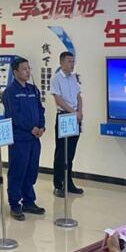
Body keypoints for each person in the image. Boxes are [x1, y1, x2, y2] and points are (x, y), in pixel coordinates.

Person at [3, 58, 46, 221]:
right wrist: (30, 128)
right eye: (24, 69)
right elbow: (14, 115)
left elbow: (40, 110)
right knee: (18, 170)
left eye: (28, 68)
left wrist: (41, 126)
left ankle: (29, 201)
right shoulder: (10, 92)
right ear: (15, 72)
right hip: (20, 138)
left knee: (31, 169)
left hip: (34, 138)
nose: (27, 72)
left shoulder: (33, 89)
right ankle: (15, 204)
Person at [50, 51, 83, 197]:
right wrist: (74, 112)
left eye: (73, 61)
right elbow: (58, 100)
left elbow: (78, 96)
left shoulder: (74, 78)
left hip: (75, 117)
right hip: (64, 116)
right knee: (61, 153)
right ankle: (58, 184)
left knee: (70, 152)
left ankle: (69, 183)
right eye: (69, 61)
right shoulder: (56, 78)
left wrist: (79, 112)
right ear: (61, 62)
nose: (72, 64)